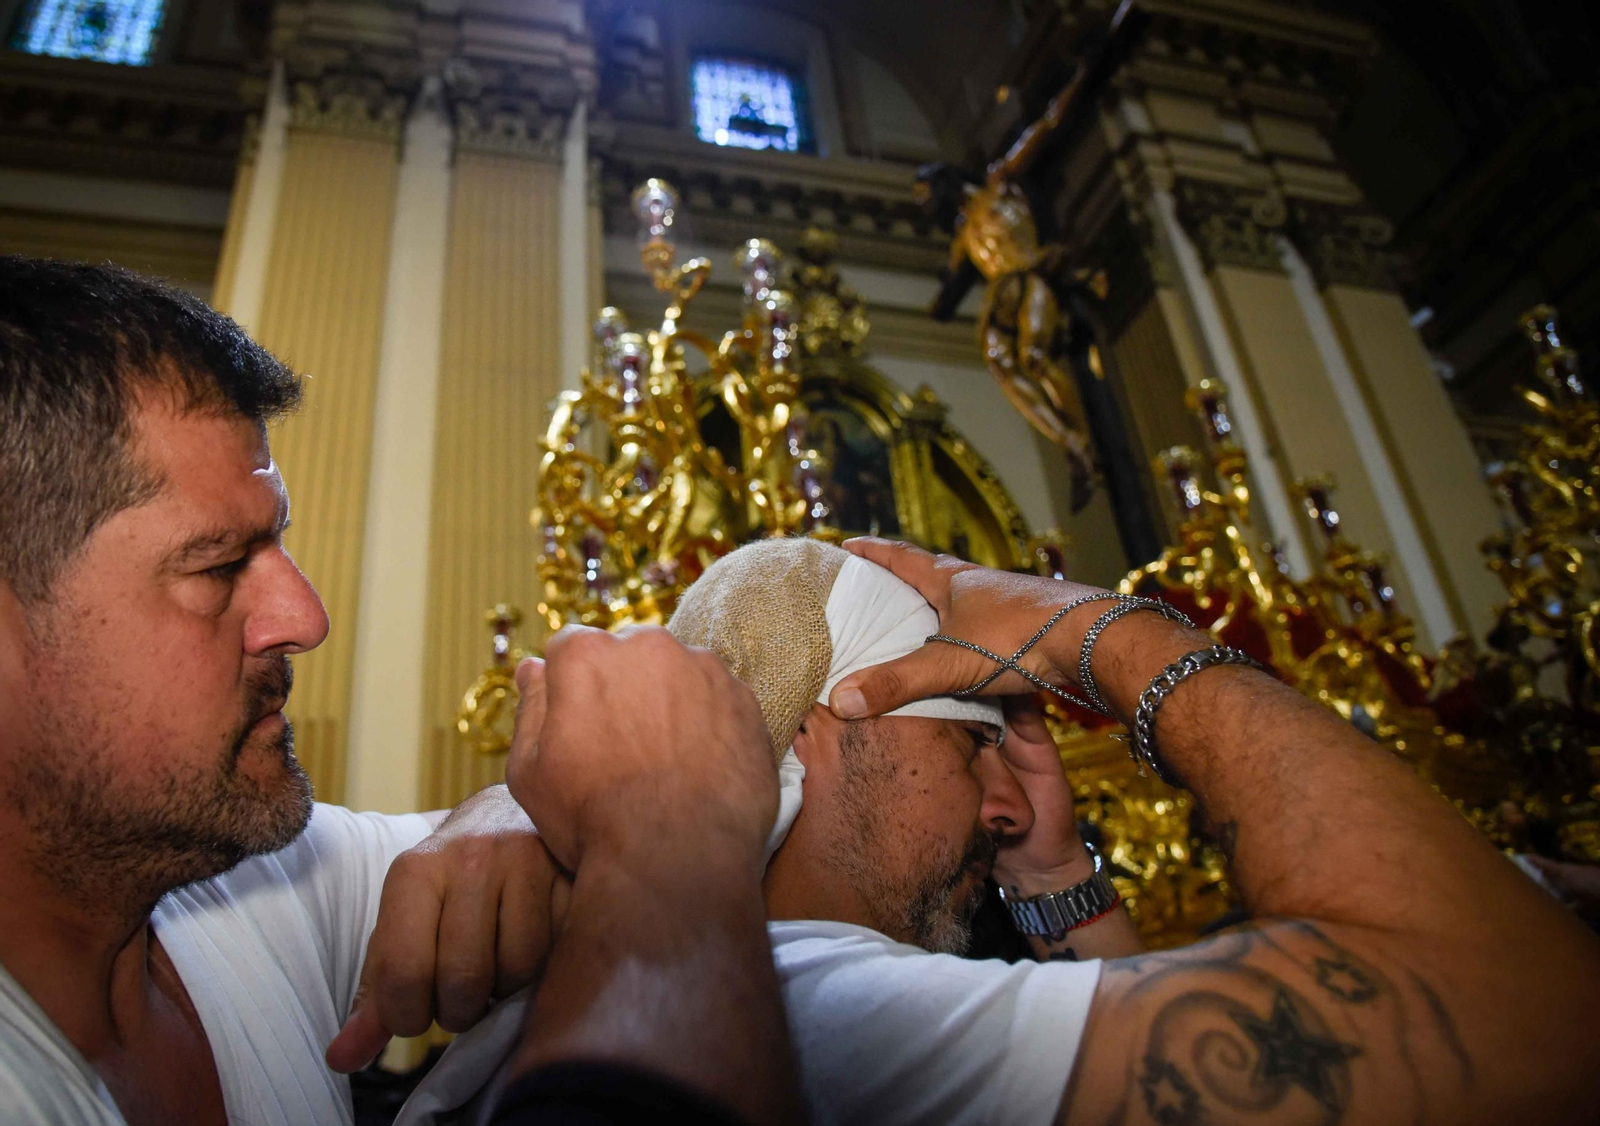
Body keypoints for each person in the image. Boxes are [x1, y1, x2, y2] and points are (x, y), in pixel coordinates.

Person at [401, 535, 1600, 1125]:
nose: (1007, 798)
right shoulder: (829, 1010)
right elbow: (1535, 1018)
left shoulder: (751, 985)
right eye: (972, 739)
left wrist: (1058, 873)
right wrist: (1110, 635)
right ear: (822, 725)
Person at [0, 256, 794, 1126]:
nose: (304, 616)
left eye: (277, 547)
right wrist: (666, 829)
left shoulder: (242, 886)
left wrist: (509, 813)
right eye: (219, 565)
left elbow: (590, 816)